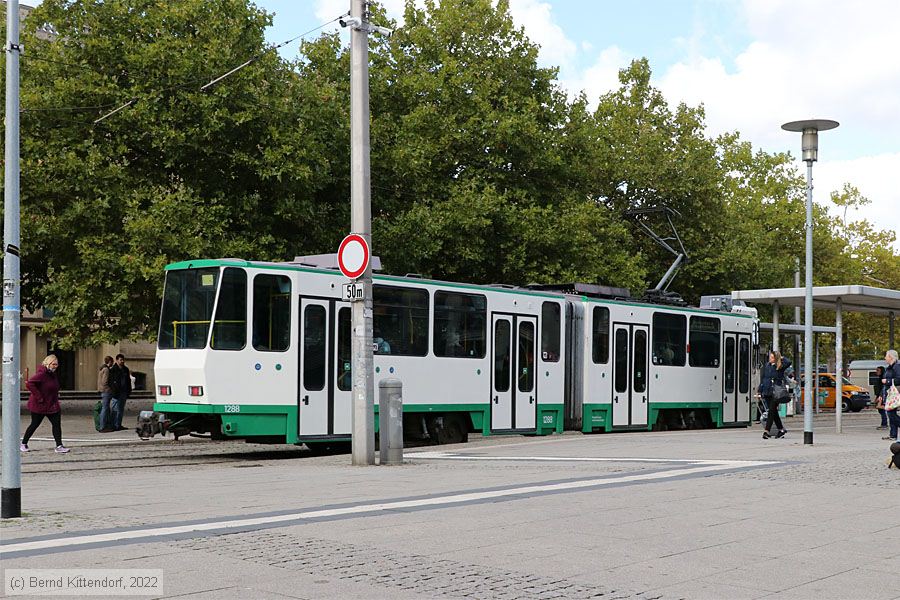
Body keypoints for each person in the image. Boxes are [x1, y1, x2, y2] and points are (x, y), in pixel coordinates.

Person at [21, 354, 69, 454]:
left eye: (56, 364)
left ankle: (59, 445)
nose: (55, 366)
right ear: (48, 363)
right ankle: (23, 443)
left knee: (56, 425)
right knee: (34, 424)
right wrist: (39, 397)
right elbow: (30, 383)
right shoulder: (41, 374)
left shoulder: (52, 375)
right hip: (40, 405)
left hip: (52, 405)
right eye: (53, 364)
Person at [758, 350, 791, 439]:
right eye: (770, 357)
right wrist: (760, 390)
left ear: (776, 359)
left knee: (771, 411)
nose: (770, 359)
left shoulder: (779, 366)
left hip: (776, 392)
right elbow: (764, 378)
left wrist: (781, 357)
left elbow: (788, 362)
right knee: (774, 412)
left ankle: (766, 431)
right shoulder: (767, 366)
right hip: (767, 390)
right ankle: (781, 429)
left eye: (772, 357)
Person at [881, 349, 900, 441]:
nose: (885, 358)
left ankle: (893, 434)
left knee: (890, 413)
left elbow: (898, 379)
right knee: (891, 413)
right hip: (889, 393)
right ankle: (893, 434)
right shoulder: (889, 367)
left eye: (886, 356)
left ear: (890, 357)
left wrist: (887, 381)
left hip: (894, 394)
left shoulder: (897, 367)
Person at [111, 353, 132, 431]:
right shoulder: (113, 369)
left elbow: (128, 380)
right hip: (116, 392)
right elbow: (112, 381)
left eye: (123, 360)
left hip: (124, 392)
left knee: (121, 409)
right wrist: (113, 390)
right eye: (120, 360)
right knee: (115, 409)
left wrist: (129, 391)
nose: (122, 361)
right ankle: (113, 425)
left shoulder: (125, 369)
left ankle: (118, 424)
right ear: (117, 360)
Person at [97, 356, 115, 432]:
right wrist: (109, 389)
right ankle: (102, 426)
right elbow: (105, 382)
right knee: (105, 408)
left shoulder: (102, 369)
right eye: (112, 361)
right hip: (106, 391)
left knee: (105, 408)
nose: (113, 363)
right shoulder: (106, 370)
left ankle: (104, 425)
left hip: (103, 390)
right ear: (109, 361)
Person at [874, 366, 887, 430]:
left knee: (881, 409)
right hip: (879, 395)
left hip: (881, 396)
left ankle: (884, 424)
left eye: (878, 370)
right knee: (880, 409)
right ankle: (884, 423)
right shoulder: (879, 378)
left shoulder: (883, 378)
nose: (876, 372)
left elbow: (883, 389)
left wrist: (879, 397)